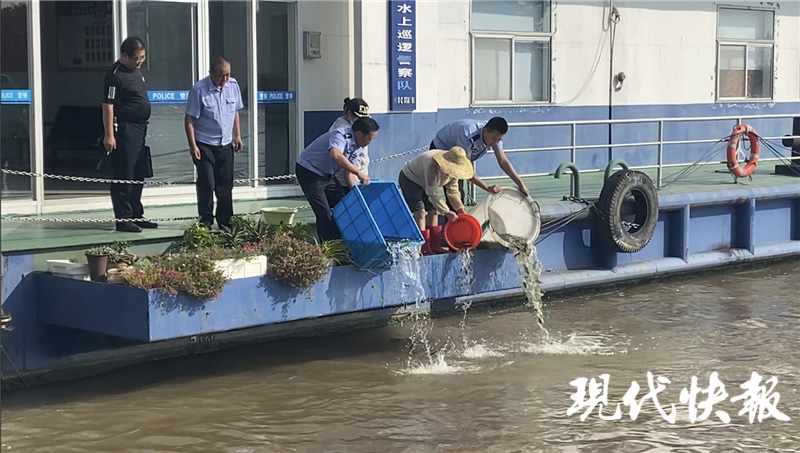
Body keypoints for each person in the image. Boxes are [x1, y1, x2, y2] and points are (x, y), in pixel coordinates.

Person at [102, 36, 156, 233]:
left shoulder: (136, 72)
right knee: (125, 173)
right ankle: (123, 218)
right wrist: (109, 135)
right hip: (125, 129)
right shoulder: (115, 75)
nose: (140, 61)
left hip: (140, 129)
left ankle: (136, 214)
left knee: (139, 173)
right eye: (136, 58)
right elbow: (108, 106)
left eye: (143, 57)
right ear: (125, 55)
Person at [296, 117, 379, 241]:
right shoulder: (340, 135)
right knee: (324, 213)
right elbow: (335, 155)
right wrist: (359, 173)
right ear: (359, 134)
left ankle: (339, 241)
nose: (370, 142)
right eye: (370, 139)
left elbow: (348, 173)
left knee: (343, 205)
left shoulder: (357, 147)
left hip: (327, 175)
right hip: (310, 172)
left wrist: (357, 194)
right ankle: (328, 246)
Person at [184, 56, 244, 230]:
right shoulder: (199, 90)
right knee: (207, 183)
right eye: (220, 75)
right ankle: (206, 221)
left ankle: (225, 222)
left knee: (225, 184)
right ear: (211, 73)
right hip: (204, 144)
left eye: (227, 75)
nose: (224, 79)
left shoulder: (233, 85)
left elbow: (235, 112)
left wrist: (238, 135)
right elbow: (189, 120)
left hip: (225, 144)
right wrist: (192, 146)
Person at [430, 117, 529, 209]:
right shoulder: (468, 134)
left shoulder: (495, 137)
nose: (496, 142)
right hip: (441, 150)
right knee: (445, 193)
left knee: (457, 197)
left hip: (459, 156)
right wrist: (487, 187)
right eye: (494, 139)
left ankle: (451, 217)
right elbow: (465, 169)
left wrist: (521, 185)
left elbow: (503, 161)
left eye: (499, 140)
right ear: (485, 131)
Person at [398, 146, 474, 255]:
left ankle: (435, 245)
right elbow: (432, 194)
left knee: (434, 211)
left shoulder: (454, 171)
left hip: (427, 185)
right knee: (420, 211)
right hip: (411, 179)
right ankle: (423, 247)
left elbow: (453, 191)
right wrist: (446, 212)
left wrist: (460, 209)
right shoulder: (432, 165)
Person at [329, 97, 371, 188]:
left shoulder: (357, 126)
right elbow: (344, 159)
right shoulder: (343, 129)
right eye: (358, 117)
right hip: (346, 177)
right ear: (349, 114)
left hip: (359, 173)